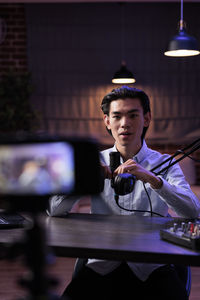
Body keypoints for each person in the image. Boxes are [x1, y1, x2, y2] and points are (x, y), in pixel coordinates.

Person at [48, 86, 200, 300]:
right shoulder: (94, 161)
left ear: (146, 119)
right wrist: (84, 180)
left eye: (133, 115)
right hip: (101, 266)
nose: (125, 123)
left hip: (152, 267)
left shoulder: (165, 163)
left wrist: (153, 179)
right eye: (117, 116)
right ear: (107, 121)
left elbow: (193, 211)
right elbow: (53, 210)